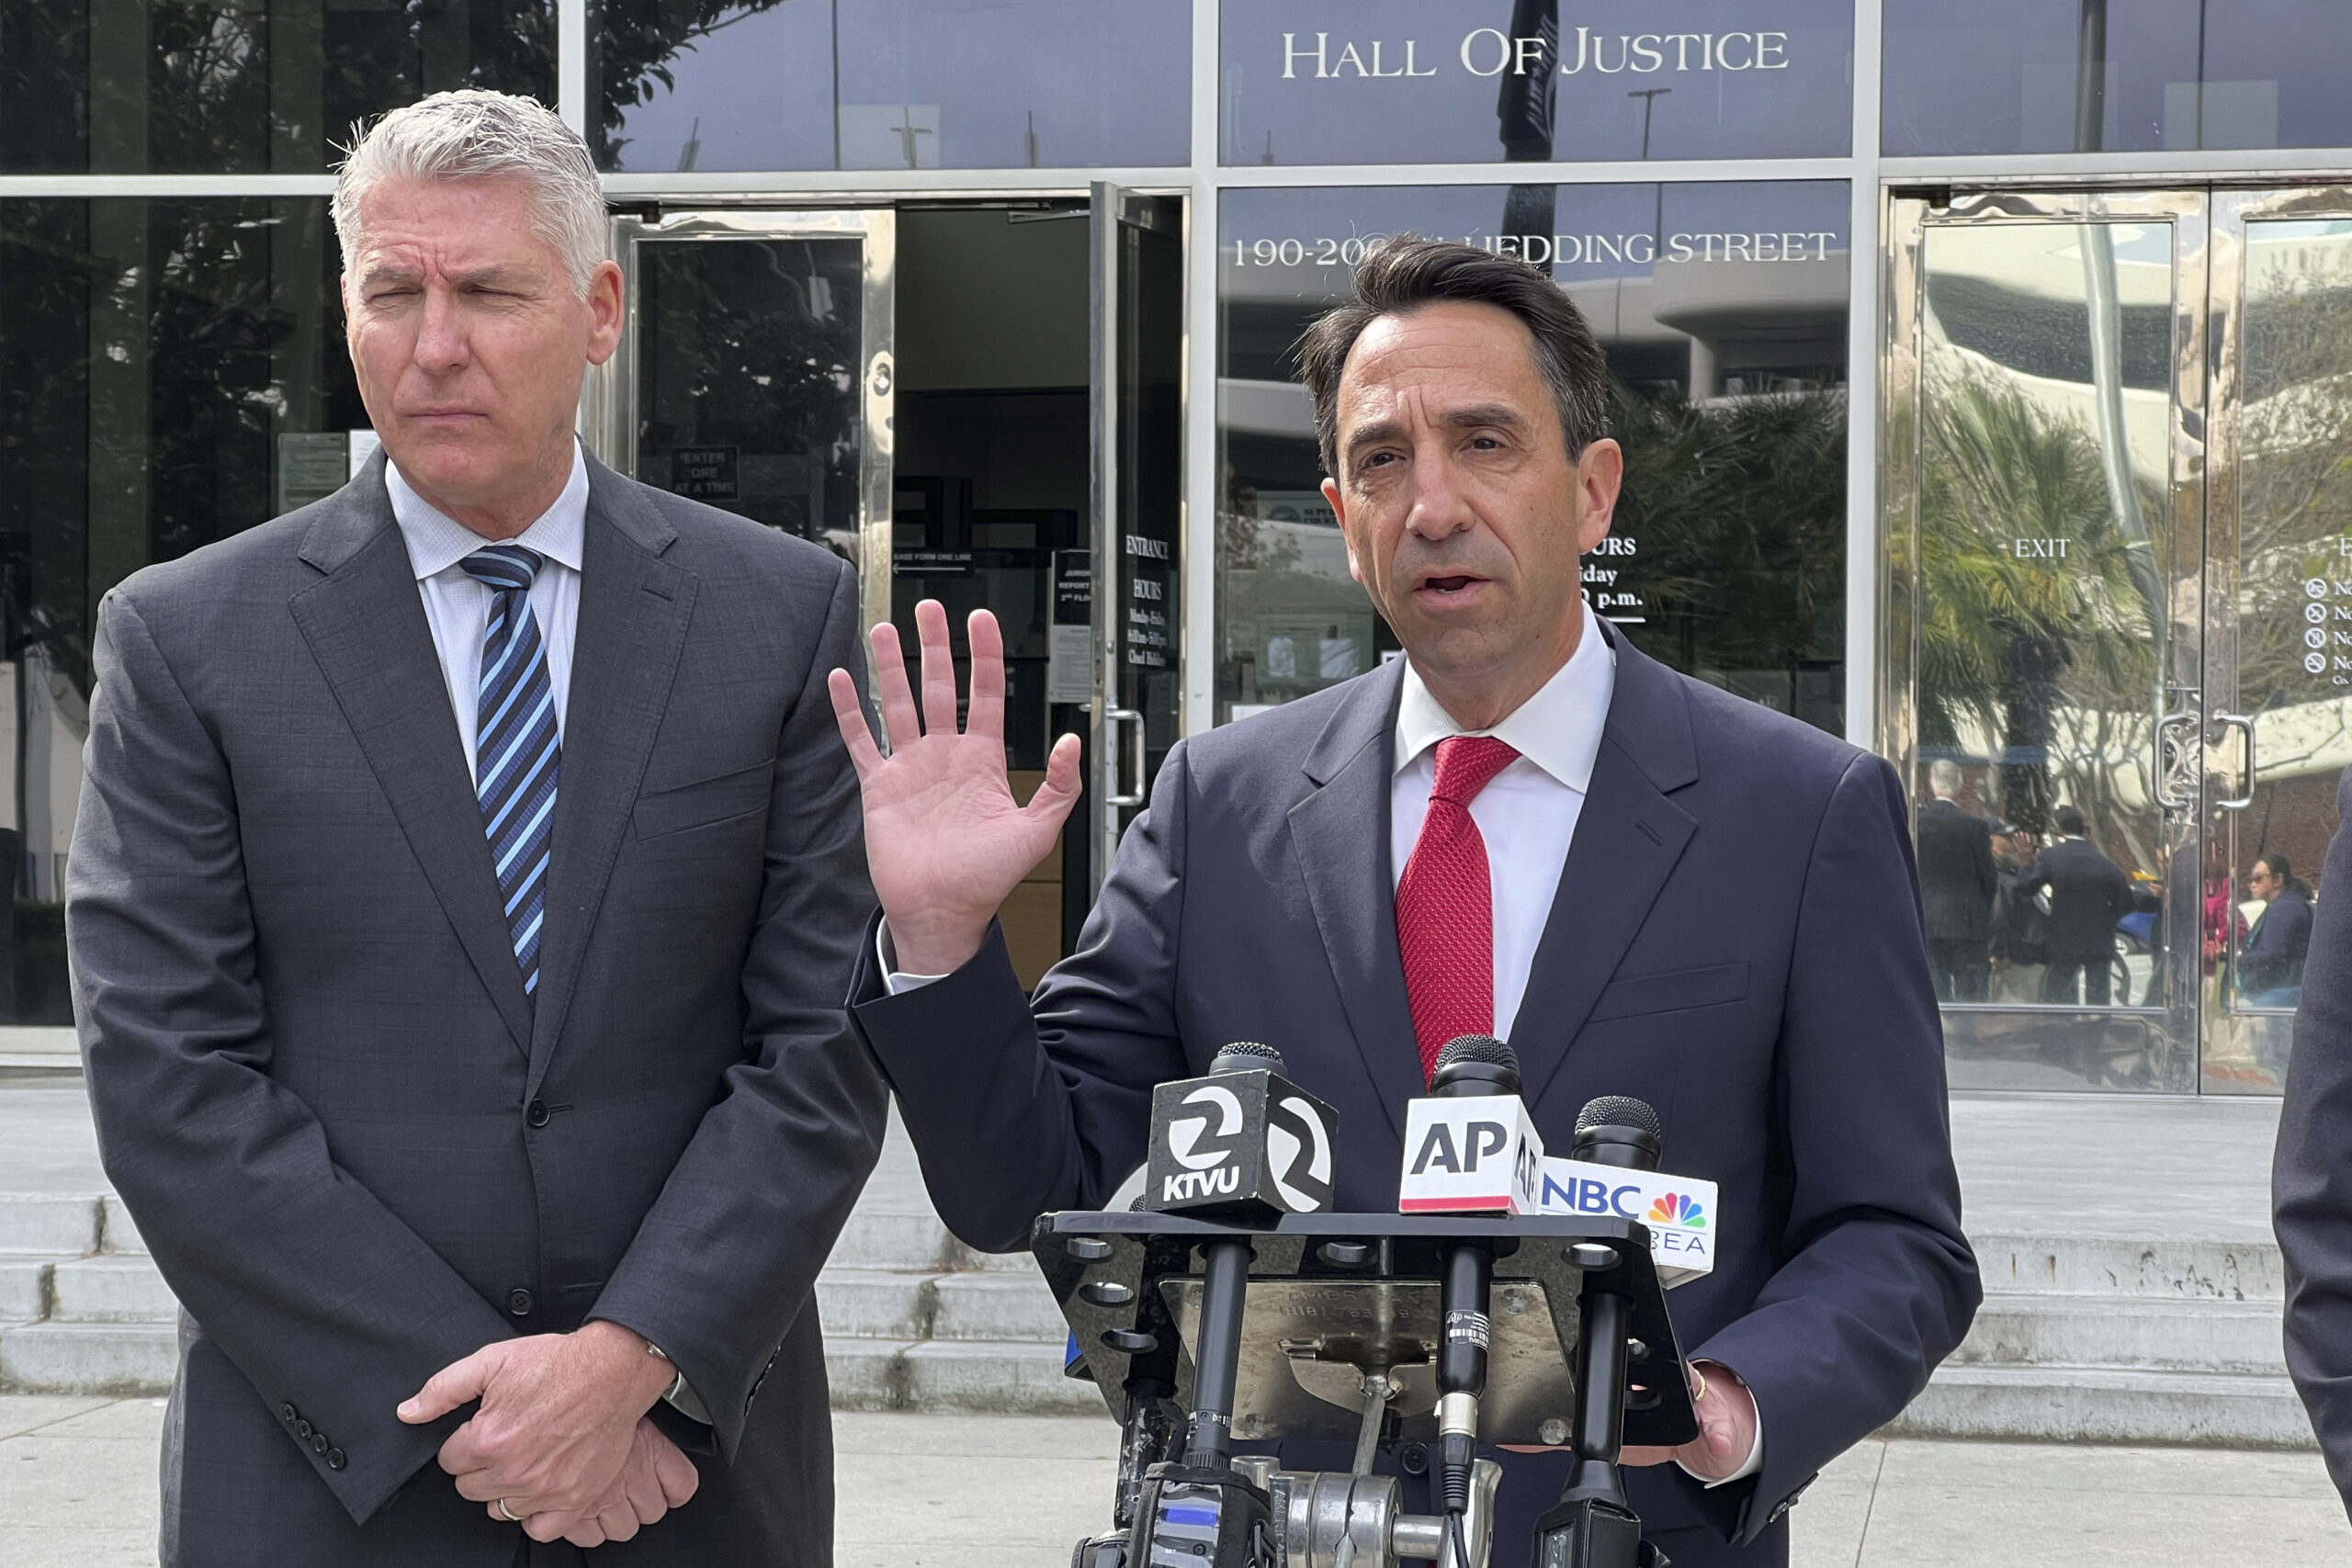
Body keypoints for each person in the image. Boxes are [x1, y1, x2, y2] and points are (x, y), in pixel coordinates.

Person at [829, 237, 1977, 1566]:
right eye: (1382, 459)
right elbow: (1023, 1183)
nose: (1431, 503)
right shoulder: (1222, 803)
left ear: (1592, 489)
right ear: (1341, 508)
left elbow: (1894, 1234)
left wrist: (1731, 1402)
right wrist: (941, 935)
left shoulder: (1799, 809)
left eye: (1485, 442)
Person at [65, 90, 884, 1565]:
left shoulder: (779, 613)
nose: (435, 342)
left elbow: (822, 1046)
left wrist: (626, 1361)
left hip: (685, 1471)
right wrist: (496, 1407)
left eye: (490, 291)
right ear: (349, 306)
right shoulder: (187, 638)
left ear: (597, 309)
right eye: (395, 291)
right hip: (328, 1482)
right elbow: (169, 1081)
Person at [2030, 806, 2135, 1006]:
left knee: (2057, 992)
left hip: (2064, 938)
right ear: (2085, 829)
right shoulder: (2107, 864)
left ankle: (2060, 1028)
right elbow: (2126, 903)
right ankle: (2096, 1030)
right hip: (2099, 940)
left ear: (2059, 827)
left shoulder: (2051, 857)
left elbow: (2028, 888)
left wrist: (2027, 867)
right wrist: (2105, 920)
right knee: (2098, 995)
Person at [1916, 759, 1996, 1002]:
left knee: (1933, 1001)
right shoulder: (1975, 826)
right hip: (1968, 924)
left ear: (1931, 785)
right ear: (1961, 787)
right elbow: (1989, 878)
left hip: (1927, 922)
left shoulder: (1915, 823)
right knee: (1971, 1003)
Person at [2240, 853, 2313, 1010]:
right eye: (2250, 880)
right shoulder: (2281, 906)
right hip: (2281, 991)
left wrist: (2237, 962)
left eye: (2259, 878)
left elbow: (2271, 953)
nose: (2253, 884)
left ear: (2278, 880)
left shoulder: (2286, 908)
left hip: (2281, 994)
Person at [1988, 822, 2050, 1003]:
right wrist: (1999, 952)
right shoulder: (1999, 878)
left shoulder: (2016, 874)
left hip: (2032, 958)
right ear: (1992, 844)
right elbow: (1998, 916)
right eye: (2009, 839)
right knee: (2015, 1019)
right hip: (2016, 962)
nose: (2017, 845)